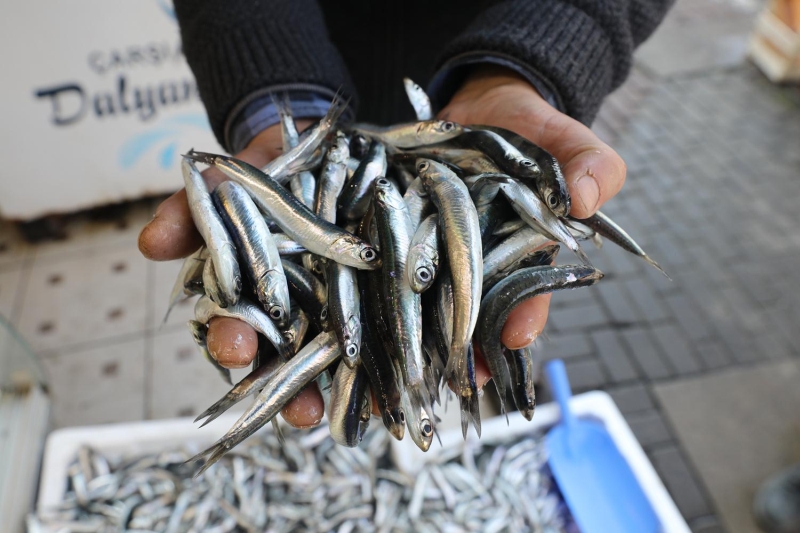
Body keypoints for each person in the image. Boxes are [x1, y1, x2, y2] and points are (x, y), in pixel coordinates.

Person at [138, 0, 675, 428]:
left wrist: (526, 63)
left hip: (480, 61)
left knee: (490, 326)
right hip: (307, 65)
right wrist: (274, 90)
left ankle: (461, 370)